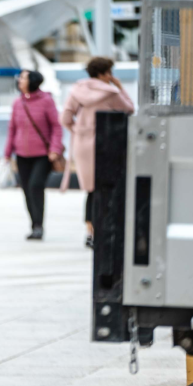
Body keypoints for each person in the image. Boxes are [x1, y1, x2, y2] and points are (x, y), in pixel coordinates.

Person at [61, 57, 135, 248]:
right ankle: (105, 230)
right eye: (109, 72)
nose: (111, 76)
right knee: (106, 187)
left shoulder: (77, 90)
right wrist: (120, 87)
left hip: (83, 145)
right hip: (107, 143)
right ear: (103, 73)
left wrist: (79, 131)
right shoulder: (111, 92)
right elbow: (129, 109)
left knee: (91, 189)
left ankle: (90, 232)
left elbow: (66, 118)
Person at [4, 70, 63, 240]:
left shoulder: (46, 101)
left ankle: (39, 225)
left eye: (23, 78)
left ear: (32, 81)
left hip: (43, 155)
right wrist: (7, 153)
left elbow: (56, 127)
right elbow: (12, 129)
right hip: (22, 155)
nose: (19, 80)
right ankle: (34, 224)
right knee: (26, 189)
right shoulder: (17, 103)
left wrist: (55, 149)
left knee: (35, 185)